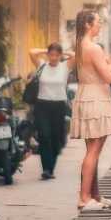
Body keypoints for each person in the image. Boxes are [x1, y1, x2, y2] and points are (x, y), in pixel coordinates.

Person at [71, 11, 111, 210]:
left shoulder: (80, 45)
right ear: (89, 24)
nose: (101, 25)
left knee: (93, 151)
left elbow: (102, 68)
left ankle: (94, 195)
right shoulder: (94, 48)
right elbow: (108, 77)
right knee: (93, 151)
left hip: (86, 96)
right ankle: (84, 198)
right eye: (98, 22)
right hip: (97, 99)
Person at [28, 43, 70, 180]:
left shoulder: (65, 67)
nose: (53, 58)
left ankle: (51, 168)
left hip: (59, 106)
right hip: (42, 105)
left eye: (56, 55)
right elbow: (32, 51)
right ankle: (46, 169)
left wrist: (64, 53)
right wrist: (44, 50)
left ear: (60, 55)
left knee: (56, 138)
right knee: (44, 136)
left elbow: (76, 56)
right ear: (48, 55)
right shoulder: (42, 65)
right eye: (51, 54)